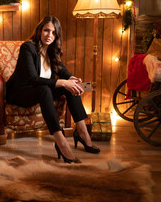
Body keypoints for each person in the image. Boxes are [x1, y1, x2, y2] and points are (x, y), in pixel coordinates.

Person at [6, 15, 100, 164]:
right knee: (45, 88)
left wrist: (72, 79)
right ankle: (61, 141)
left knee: (70, 87)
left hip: (40, 92)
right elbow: (32, 79)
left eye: (54, 33)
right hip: (21, 93)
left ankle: (82, 133)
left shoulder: (51, 51)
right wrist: (62, 82)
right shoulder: (28, 48)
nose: (49, 35)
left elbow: (63, 71)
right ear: (39, 30)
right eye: (46, 30)